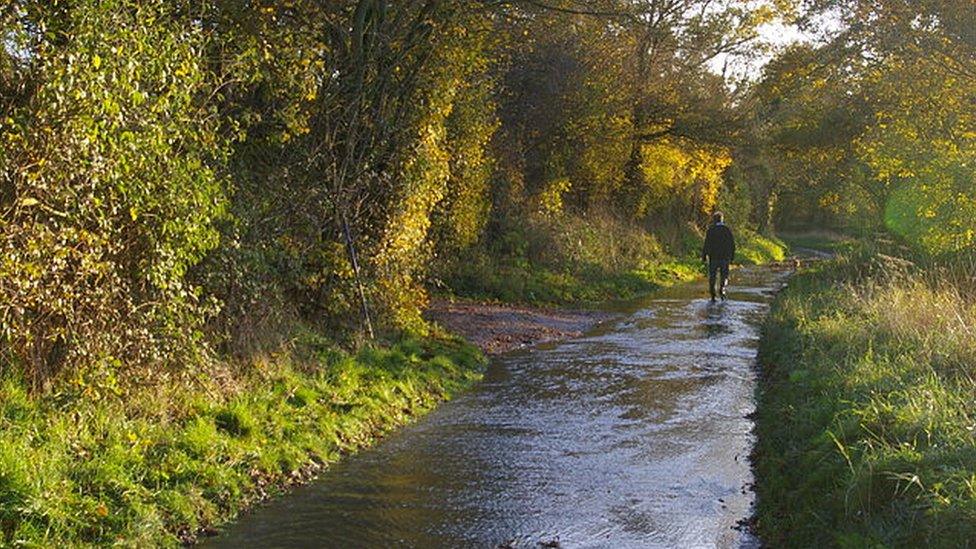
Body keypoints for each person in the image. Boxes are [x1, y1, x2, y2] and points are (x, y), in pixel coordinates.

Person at [701, 211, 736, 302]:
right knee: (724, 275)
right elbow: (732, 244)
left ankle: (712, 294)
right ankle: (722, 289)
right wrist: (732, 256)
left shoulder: (711, 230)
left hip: (714, 257)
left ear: (714, 220)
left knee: (712, 276)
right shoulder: (727, 230)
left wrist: (704, 256)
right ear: (722, 219)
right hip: (725, 257)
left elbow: (707, 244)